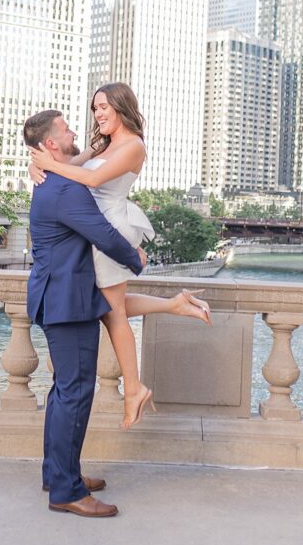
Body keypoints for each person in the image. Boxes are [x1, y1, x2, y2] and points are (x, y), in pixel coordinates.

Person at [29, 82, 212, 430]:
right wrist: (38, 167)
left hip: (109, 229)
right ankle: (173, 305)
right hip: (94, 228)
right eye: (95, 108)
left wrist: (46, 164)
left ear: (121, 106)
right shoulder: (104, 143)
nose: (98, 114)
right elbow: (68, 164)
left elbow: (93, 179)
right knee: (107, 305)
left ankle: (134, 388)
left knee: (114, 314)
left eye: (104, 107)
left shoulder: (133, 146)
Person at [23, 108, 147, 518]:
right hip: (68, 302)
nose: (74, 131)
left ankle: (59, 473)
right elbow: (103, 235)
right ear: (50, 144)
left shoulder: (51, 180)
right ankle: (67, 490)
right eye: (66, 129)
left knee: (64, 392)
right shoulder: (65, 189)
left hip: (57, 297)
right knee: (75, 394)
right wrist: (136, 258)